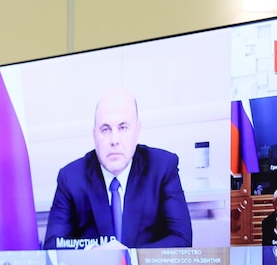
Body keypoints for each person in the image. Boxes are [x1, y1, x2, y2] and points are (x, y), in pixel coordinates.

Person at [45, 88, 192, 250]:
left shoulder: (162, 167)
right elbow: (52, 246)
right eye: (105, 129)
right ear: (94, 135)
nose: (114, 140)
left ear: (137, 130)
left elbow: (181, 239)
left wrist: (128, 258)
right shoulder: (71, 178)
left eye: (123, 128)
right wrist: (93, 252)